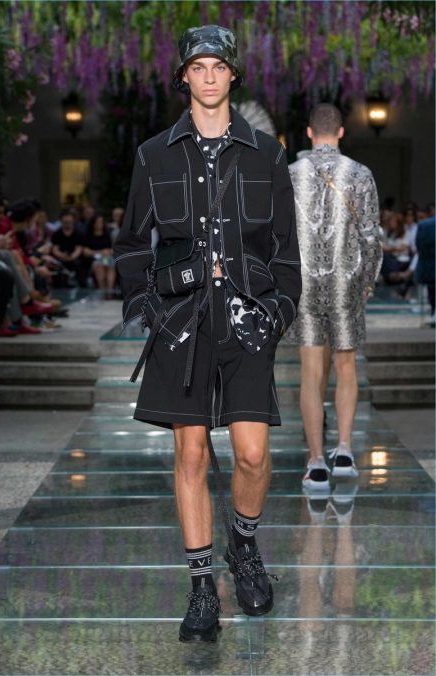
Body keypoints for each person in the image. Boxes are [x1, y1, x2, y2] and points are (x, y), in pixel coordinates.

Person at [114, 24, 301, 643]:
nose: (210, 76)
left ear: (233, 75)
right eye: (199, 67)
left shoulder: (266, 153)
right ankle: (200, 588)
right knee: (190, 454)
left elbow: (286, 248)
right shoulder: (155, 155)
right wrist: (149, 307)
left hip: (247, 322)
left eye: (219, 66)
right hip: (183, 323)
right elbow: (131, 244)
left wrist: (278, 312)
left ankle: (243, 545)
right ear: (184, 77)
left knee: (252, 454)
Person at [288, 103, 382, 493]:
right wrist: (366, 284)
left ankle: (315, 463)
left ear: (309, 132)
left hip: (305, 285)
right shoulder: (360, 174)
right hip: (346, 283)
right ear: (341, 132)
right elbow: (371, 237)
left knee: (311, 374)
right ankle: (344, 451)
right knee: (346, 368)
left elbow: (277, 237)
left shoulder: (290, 174)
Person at [82, 213, 115, 290]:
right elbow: (86, 252)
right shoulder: (88, 236)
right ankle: (101, 290)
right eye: (97, 222)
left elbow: (111, 250)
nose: (99, 224)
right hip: (93, 259)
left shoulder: (107, 235)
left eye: (101, 222)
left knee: (111, 265)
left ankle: (110, 291)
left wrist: (106, 252)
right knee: (99, 265)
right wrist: (100, 252)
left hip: (105, 258)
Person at [51, 209, 84, 285]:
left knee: (79, 264)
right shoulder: (56, 234)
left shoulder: (78, 233)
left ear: (73, 220)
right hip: (61, 257)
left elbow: (79, 248)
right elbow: (55, 249)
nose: (67, 223)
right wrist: (62, 255)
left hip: (74, 257)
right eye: (65, 222)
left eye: (69, 221)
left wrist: (71, 257)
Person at [415, 214, 435, 326]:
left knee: (432, 290)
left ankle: (433, 313)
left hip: (429, 265)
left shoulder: (423, 224)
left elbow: (418, 246)